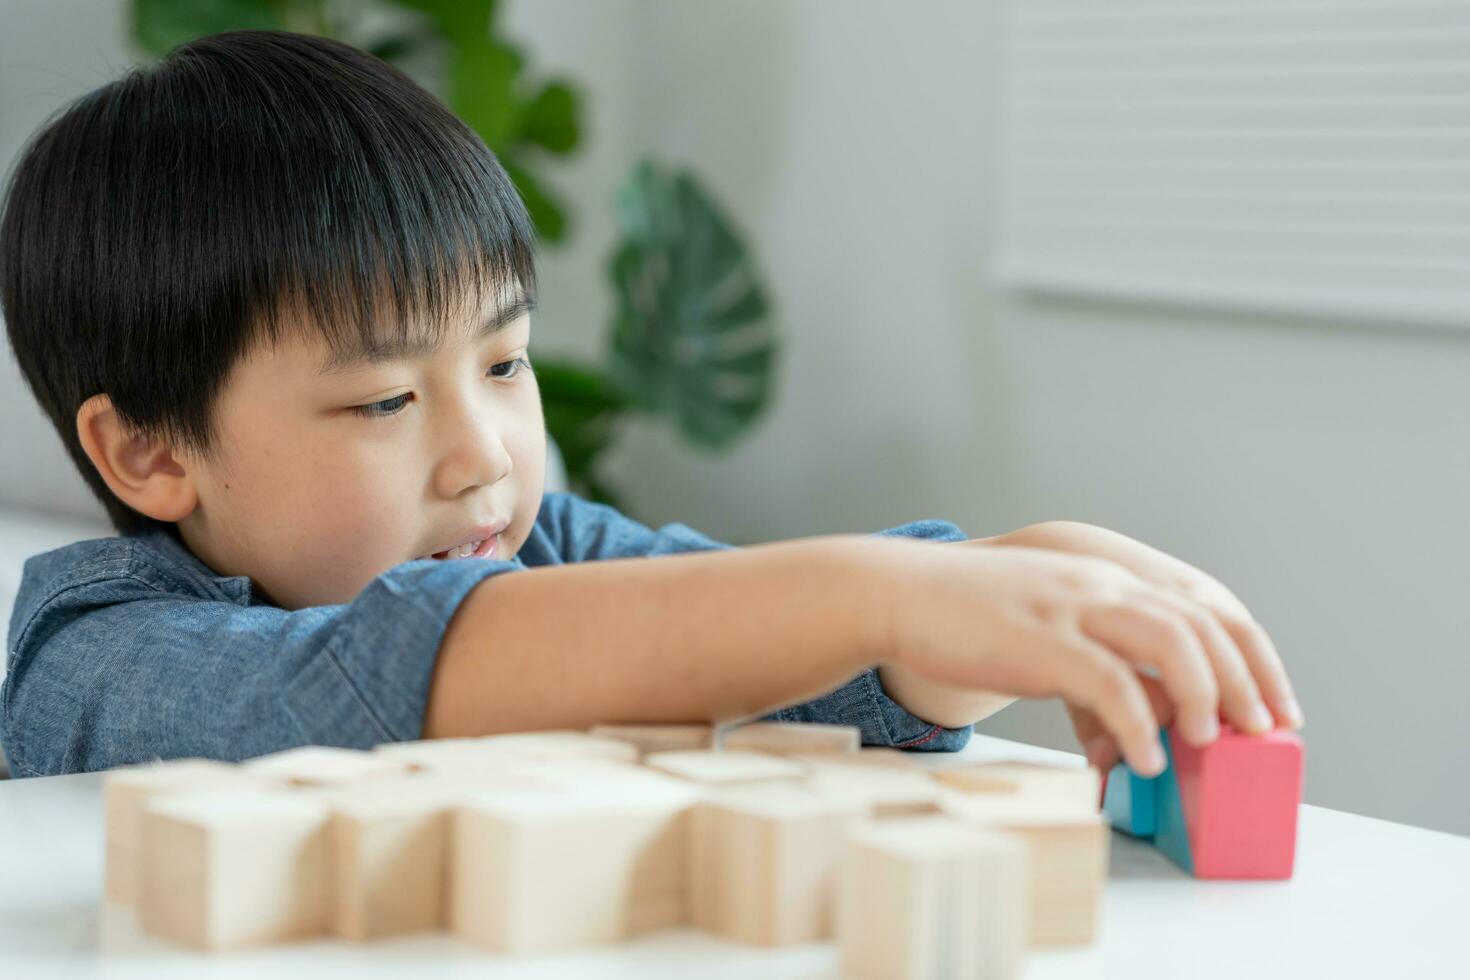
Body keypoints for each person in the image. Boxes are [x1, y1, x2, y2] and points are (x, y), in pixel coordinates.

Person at [0, 31, 1302, 779]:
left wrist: (999, 594)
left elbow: (782, 669)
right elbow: (383, 673)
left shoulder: (541, 544)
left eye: (504, 367)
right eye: (388, 397)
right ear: (153, 453)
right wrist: (889, 592)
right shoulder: (97, 659)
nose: (483, 458)